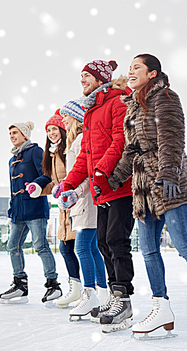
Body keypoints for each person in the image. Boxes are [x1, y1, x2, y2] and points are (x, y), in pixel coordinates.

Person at [108, 54, 187, 342]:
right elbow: (131, 149)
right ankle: (161, 308)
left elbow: (172, 137)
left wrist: (168, 172)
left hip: (168, 183)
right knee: (149, 250)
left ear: (153, 73)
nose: (130, 72)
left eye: (136, 67)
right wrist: (114, 177)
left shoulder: (164, 97)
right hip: (143, 186)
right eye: (129, 69)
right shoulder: (132, 106)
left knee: (183, 243)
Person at [57, 59, 135, 333]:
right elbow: (84, 158)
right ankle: (115, 297)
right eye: (80, 77)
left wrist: (101, 171)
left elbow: (120, 141)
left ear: (101, 78)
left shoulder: (117, 102)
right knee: (103, 242)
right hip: (102, 190)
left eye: (86, 76)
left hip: (119, 185)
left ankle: (123, 297)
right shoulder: (91, 111)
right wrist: (68, 183)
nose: (82, 81)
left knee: (116, 240)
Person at [53, 99, 109, 320]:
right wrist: (63, 187)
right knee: (92, 248)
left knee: (83, 247)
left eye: (66, 115)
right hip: (83, 201)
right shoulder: (75, 143)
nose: (63, 119)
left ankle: (91, 293)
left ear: (76, 117)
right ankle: (100, 294)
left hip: (86, 202)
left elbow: (84, 174)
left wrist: (73, 191)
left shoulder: (78, 143)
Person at [0, 121, 62, 304]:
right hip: (18, 211)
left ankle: (53, 285)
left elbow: (47, 173)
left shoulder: (35, 151)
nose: (12, 136)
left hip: (34, 207)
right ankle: (20, 284)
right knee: (12, 246)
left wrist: (36, 184)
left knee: (40, 245)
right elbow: (13, 188)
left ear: (25, 135)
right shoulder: (12, 160)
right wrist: (12, 208)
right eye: (10, 133)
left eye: (15, 132)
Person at [40, 111, 81, 307]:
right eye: (48, 130)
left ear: (63, 130)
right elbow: (55, 183)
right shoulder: (52, 153)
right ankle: (77, 287)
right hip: (64, 207)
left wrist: (64, 186)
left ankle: (88, 288)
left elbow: (73, 175)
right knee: (66, 248)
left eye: (54, 128)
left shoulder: (68, 149)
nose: (51, 133)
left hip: (76, 204)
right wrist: (39, 188)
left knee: (79, 248)